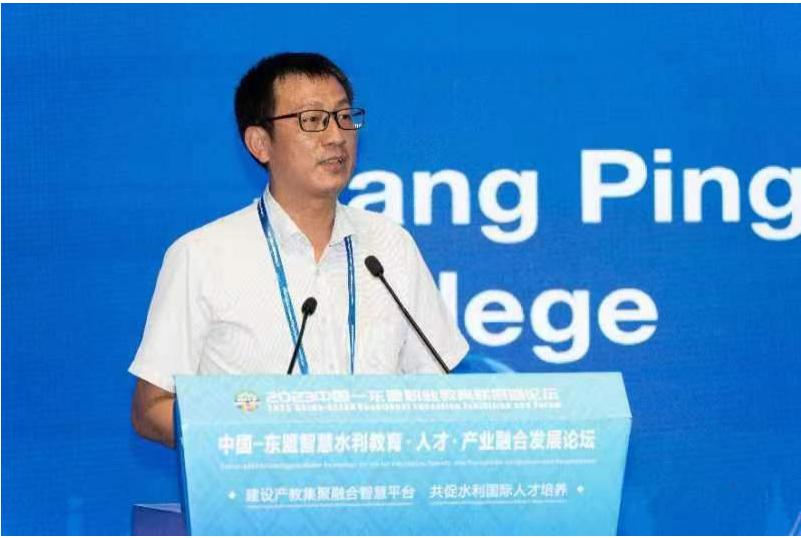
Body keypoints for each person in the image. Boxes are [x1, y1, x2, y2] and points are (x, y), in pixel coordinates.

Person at [129, 52, 469, 448]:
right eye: (312, 120)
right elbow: (151, 408)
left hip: (377, 482)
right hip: (258, 483)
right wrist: (248, 438)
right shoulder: (201, 255)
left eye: (344, 116)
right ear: (260, 144)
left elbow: (439, 391)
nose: (336, 136)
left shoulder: (390, 246)